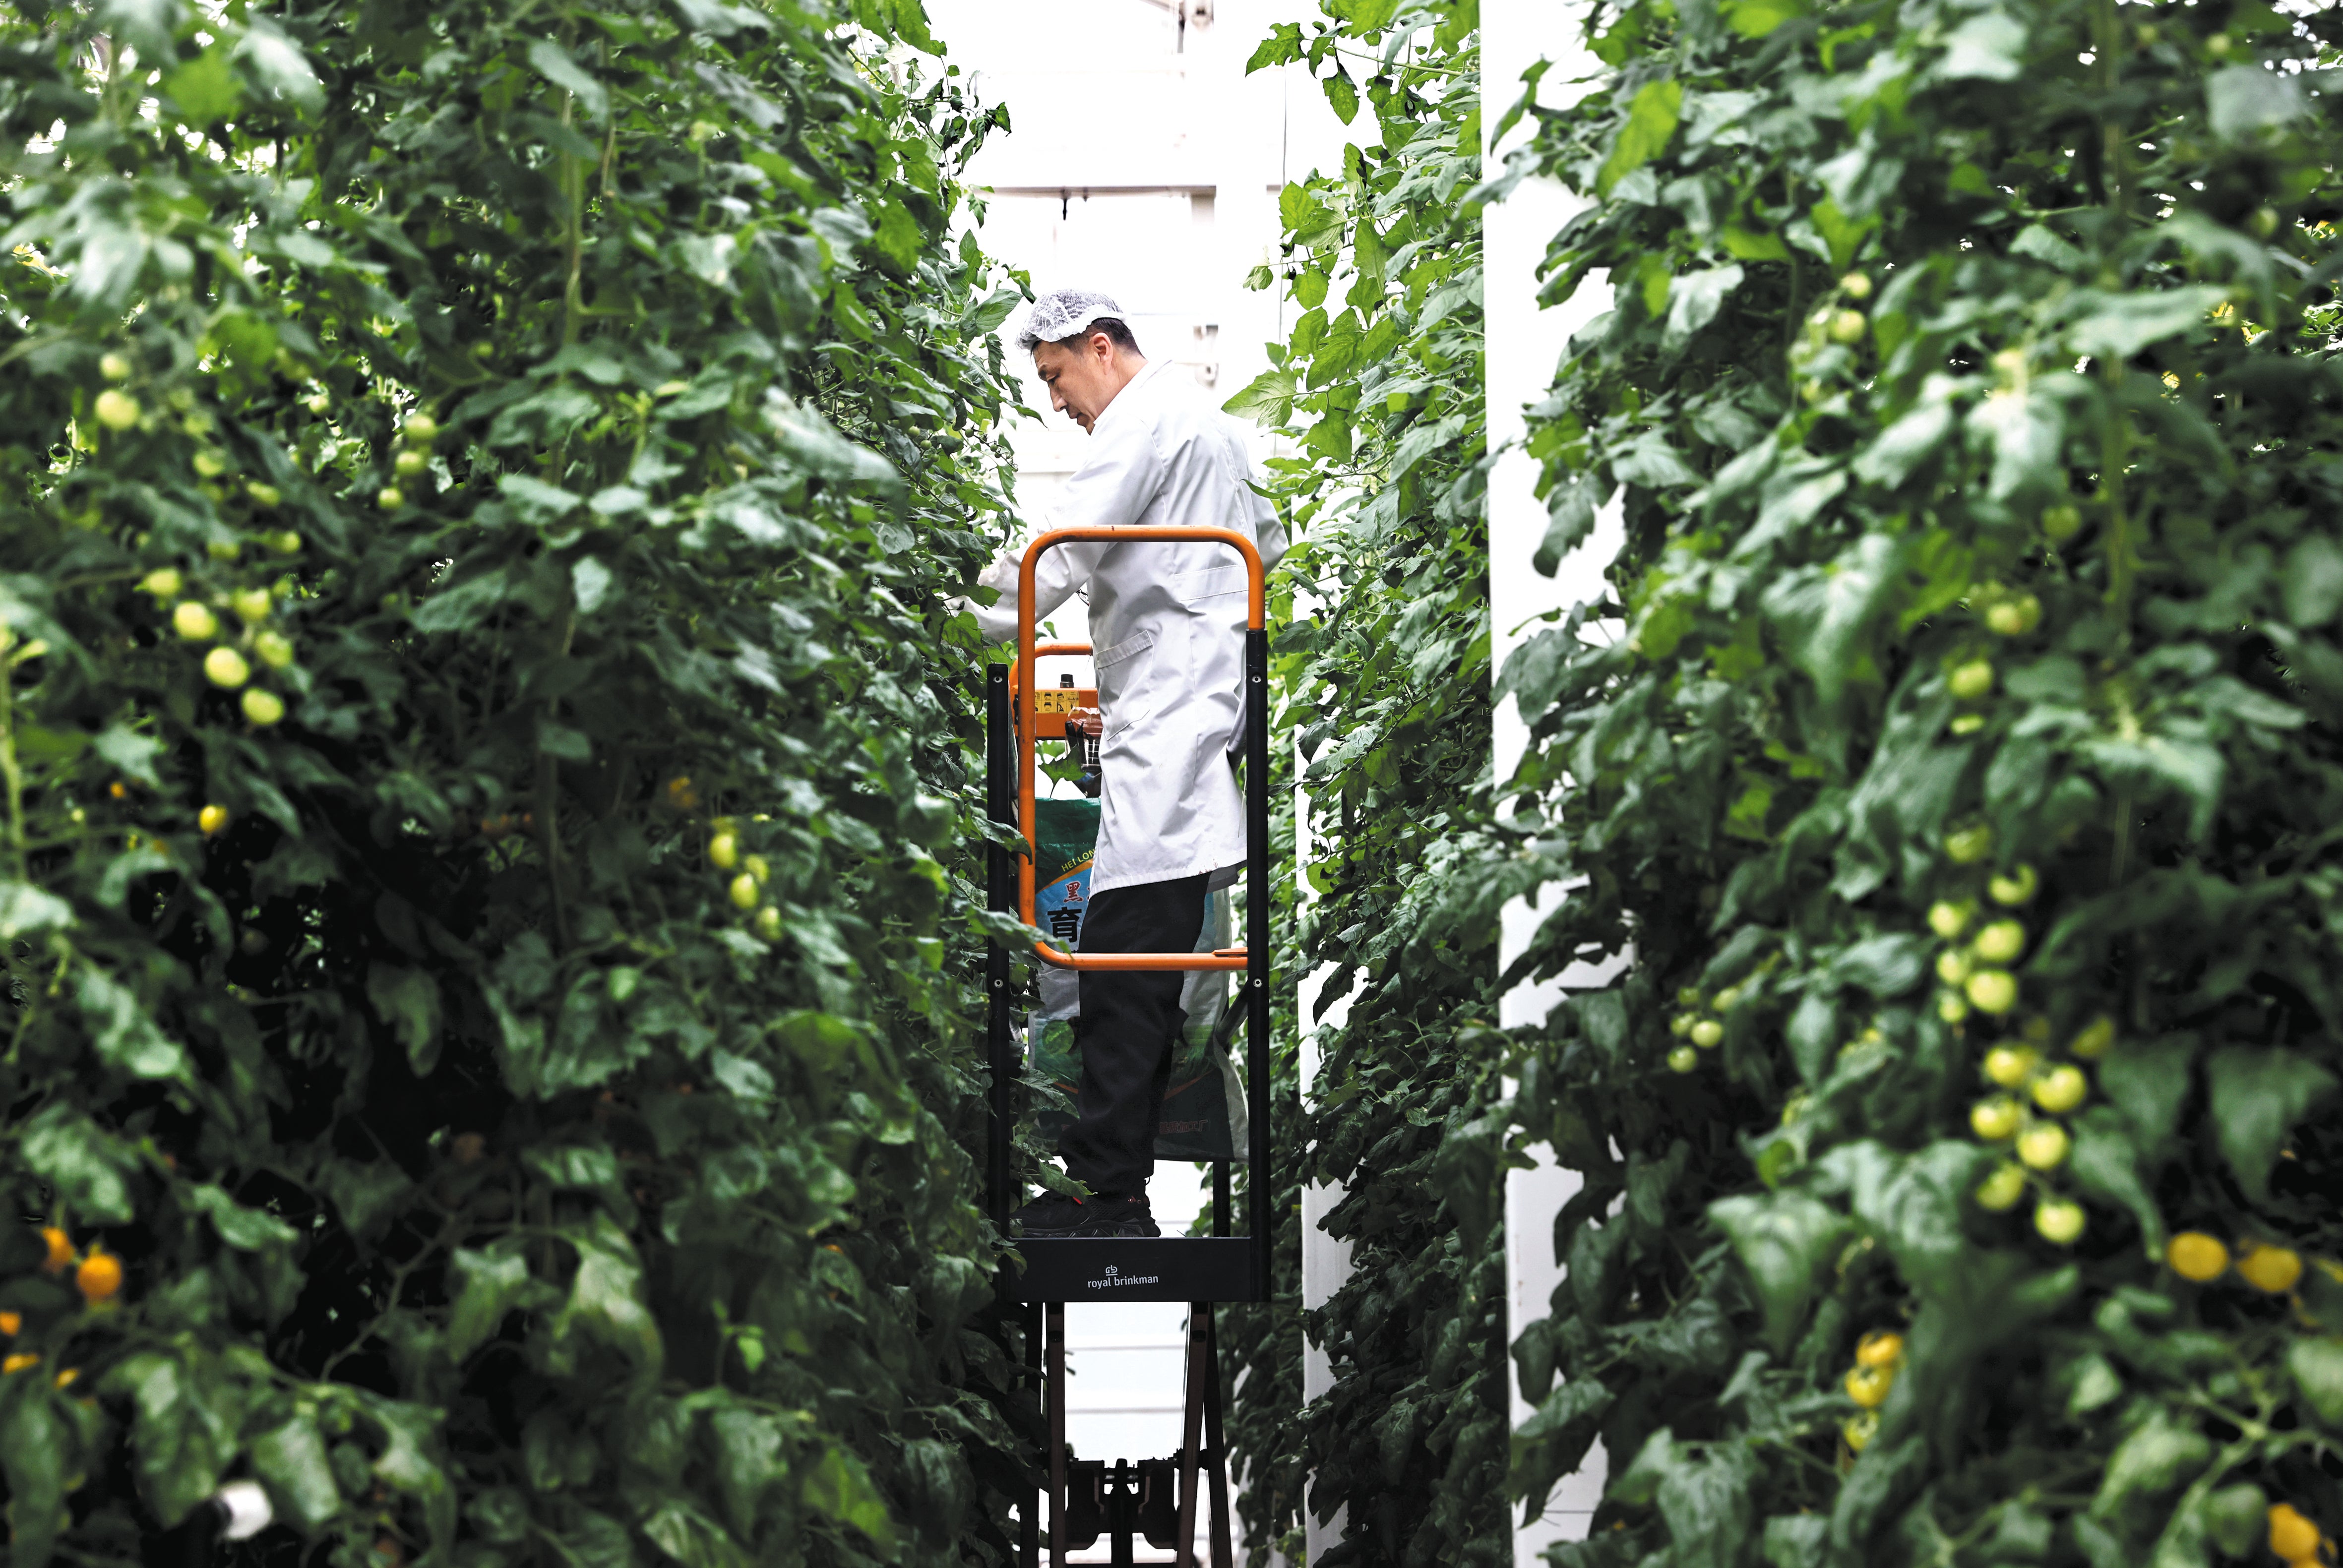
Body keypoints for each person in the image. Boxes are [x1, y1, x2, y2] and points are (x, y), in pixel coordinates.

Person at [959, 289, 1286, 1239]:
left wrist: (950, 611)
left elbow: (1054, 559)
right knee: (1133, 963)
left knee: (1117, 970)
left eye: (1057, 376)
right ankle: (1114, 1194)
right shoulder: (1212, 428)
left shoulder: (1142, 422)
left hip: (1170, 718)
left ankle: (1110, 1203)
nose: (1057, 402)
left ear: (1100, 348)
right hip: (1192, 708)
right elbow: (1266, 544)